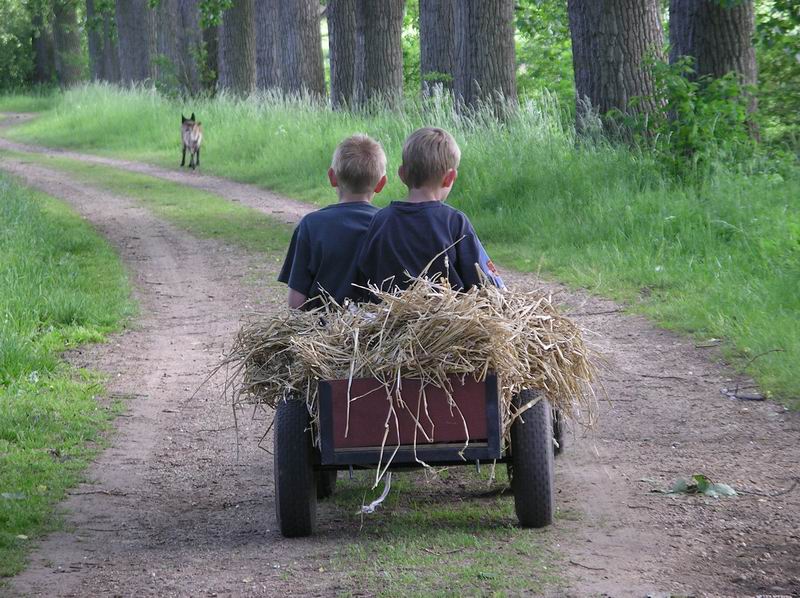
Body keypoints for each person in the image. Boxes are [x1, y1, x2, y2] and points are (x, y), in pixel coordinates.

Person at [357, 127, 503, 294]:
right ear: (449, 178)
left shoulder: (381, 220)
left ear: (402, 174)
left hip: (389, 316)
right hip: (447, 317)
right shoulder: (454, 222)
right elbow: (486, 283)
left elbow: (365, 275)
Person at [278, 134, 387, 309]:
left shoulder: (311, 226)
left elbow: (295, 303)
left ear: (332, 177)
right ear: (381, 184)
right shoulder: (388, 225)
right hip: (375, 331)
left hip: (320, 332)